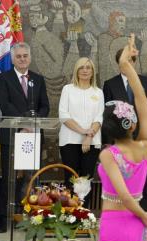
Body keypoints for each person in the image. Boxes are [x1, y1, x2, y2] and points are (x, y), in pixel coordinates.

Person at [84, 34, 147, 241]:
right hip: (137, 229)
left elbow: (125, 198)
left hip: (115, 226)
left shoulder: (109, 155)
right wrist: (127, 67)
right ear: (133, 125)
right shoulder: (146, 145)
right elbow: (142, 100)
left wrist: (146, 216)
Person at [0, 42, 50, 233]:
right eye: (18, 56)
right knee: (9, 177)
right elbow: (5, 105)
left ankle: (30, 217)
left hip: (33, 136)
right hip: (12, 135)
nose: (22, 59)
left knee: (31, 178)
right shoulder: (2, 78)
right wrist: (23, 124)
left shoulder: (38, 79)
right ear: (12, 59)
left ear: (30, 57)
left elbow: (45, 107)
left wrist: (33, 124)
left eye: (25, 56)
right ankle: (5, 218)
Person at [103, 48, 147, 220]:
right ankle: (127, 215)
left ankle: (145, 215)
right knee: (120, 184)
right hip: (118, 141)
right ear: (119, 63)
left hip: (140, 137)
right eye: (126, 61)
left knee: (144, 182)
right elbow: (107, 115)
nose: (129, 64)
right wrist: (108, 142)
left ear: (134, 62)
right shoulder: (110, 84)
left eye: (132, 61)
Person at [58, 57, 104, 207]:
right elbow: (64, 115)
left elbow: (99, 117)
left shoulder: (98, 92)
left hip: (92, 141)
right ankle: (68, 215)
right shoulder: (68, 89)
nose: (85, 70)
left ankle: (83, 215)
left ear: (93, 72)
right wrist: (84, 131)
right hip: (69, 140)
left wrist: (89, 136)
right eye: (82, 67)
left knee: (86, 179)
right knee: (70, 178)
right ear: (76, 71)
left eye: (88, 68)